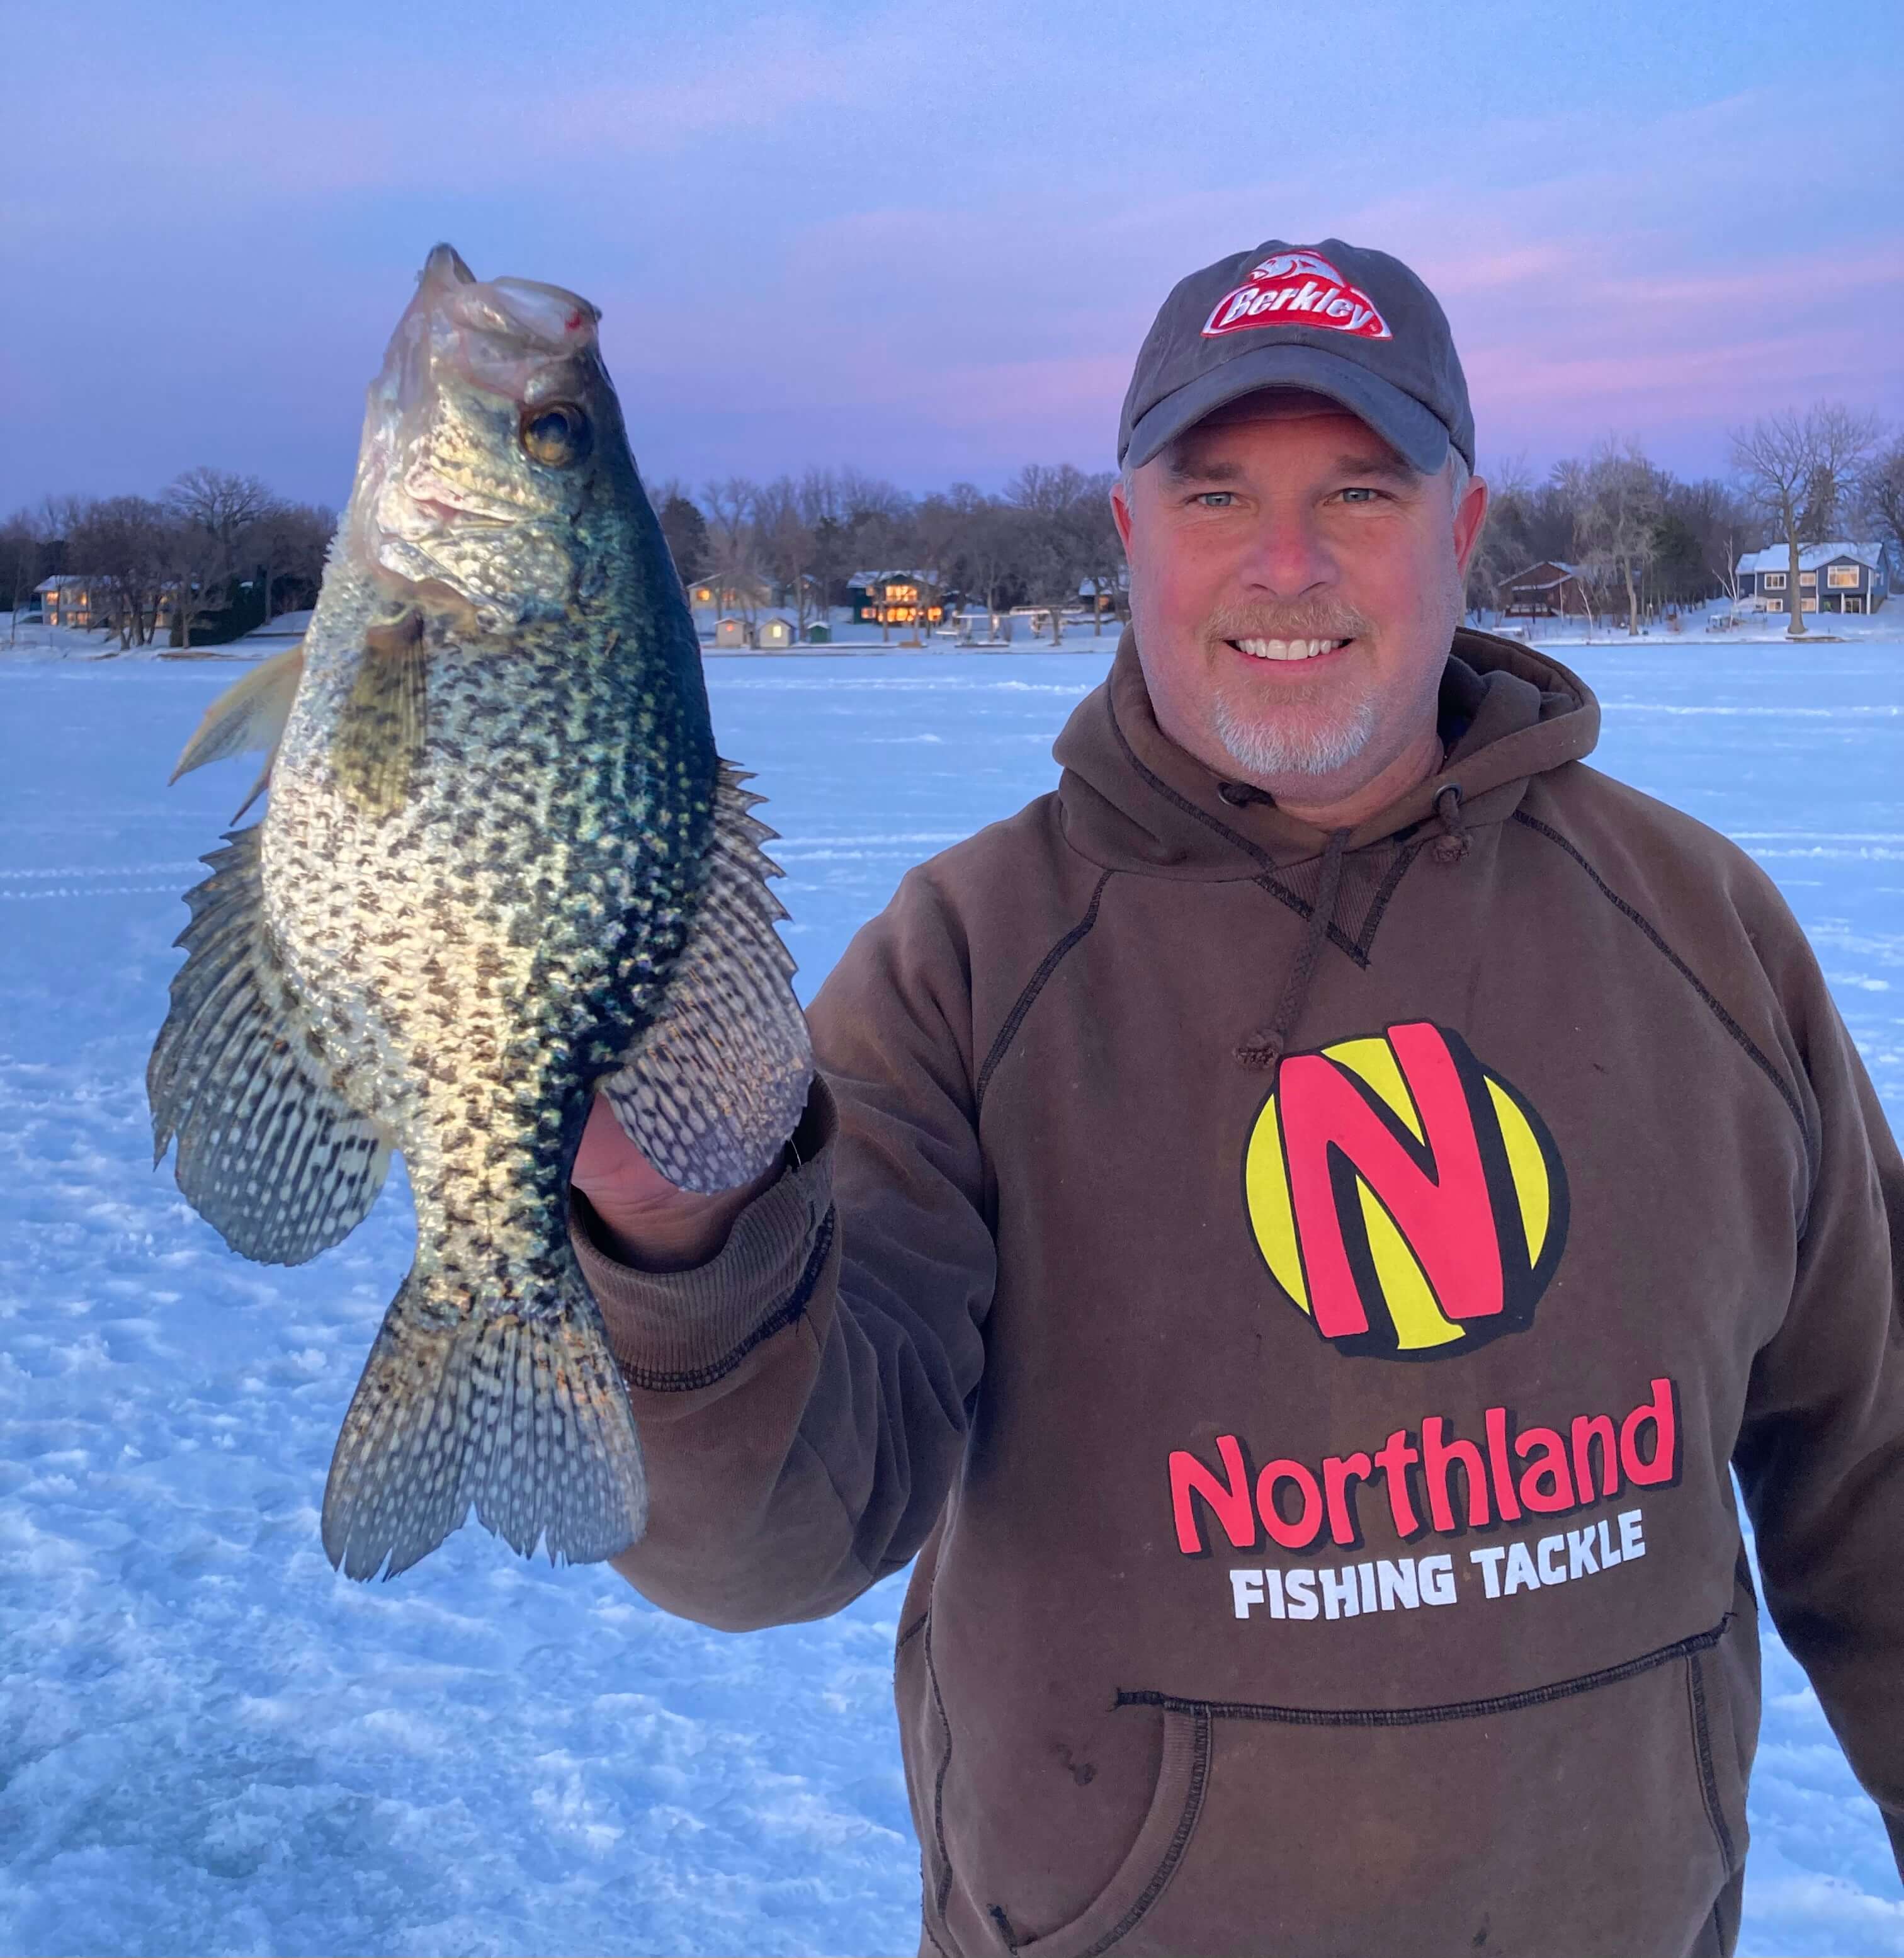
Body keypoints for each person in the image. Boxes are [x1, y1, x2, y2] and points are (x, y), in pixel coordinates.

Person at [568, 239, 1904, 1957]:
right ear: (1128, 533)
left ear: (1465, 527)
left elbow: (1876, 1470)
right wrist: (674, 1229)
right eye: (1215, 496)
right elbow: (767, 1537)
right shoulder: (965, 967)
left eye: (1359, 489)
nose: (1287, 563)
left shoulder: (1700, 930)